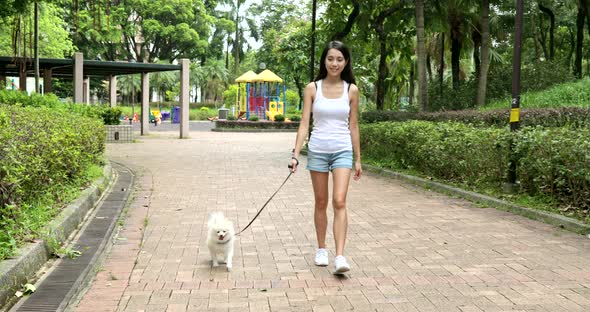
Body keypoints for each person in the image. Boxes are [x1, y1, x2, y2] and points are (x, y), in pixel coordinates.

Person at [289, 41, 362, 274]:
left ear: (346, 62)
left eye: (339, 59)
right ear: (324, 60)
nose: (334, 63)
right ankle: (322, 249)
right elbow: (304, 125)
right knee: (321, 202)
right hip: (318, 151)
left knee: (339, 201)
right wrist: (295, 155)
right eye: (330, 58)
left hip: (342, 150)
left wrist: (358, 158)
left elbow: (354, 126)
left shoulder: (352, 89)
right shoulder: (313, 88)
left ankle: (340, 256)